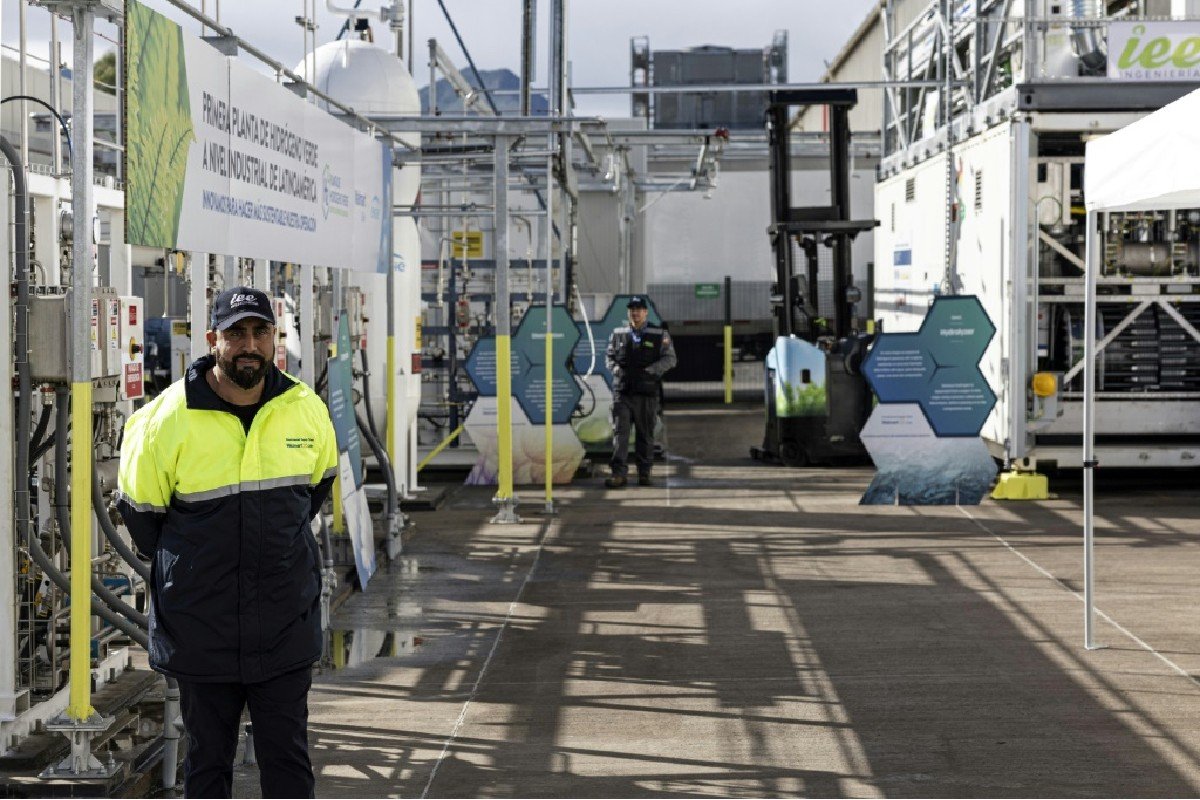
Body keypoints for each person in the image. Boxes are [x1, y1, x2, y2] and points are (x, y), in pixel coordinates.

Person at [116, 286, 337, 798]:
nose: (249, 345)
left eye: (260, 332)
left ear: (275, 339)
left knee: (288, 764)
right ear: (213, 339)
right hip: (202, 628)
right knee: (207, 766)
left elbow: (314, 493)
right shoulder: (164, 419)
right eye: (236, 333)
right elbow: (143, 518)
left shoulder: (306, 410)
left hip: (283, 624)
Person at [605, 296, 677, 487]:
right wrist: (617, 370)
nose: (635, 313)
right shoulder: (618, 333)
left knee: (645, 435)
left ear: (646, 312)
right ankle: (618, 475)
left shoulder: (658, 333)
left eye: (638, 309)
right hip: (623, 393)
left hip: (646, 394)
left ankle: (644, 474)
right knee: (621, 435)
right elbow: (609, 358)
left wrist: (650, 371)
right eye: (632, 309)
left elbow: (670, 359)